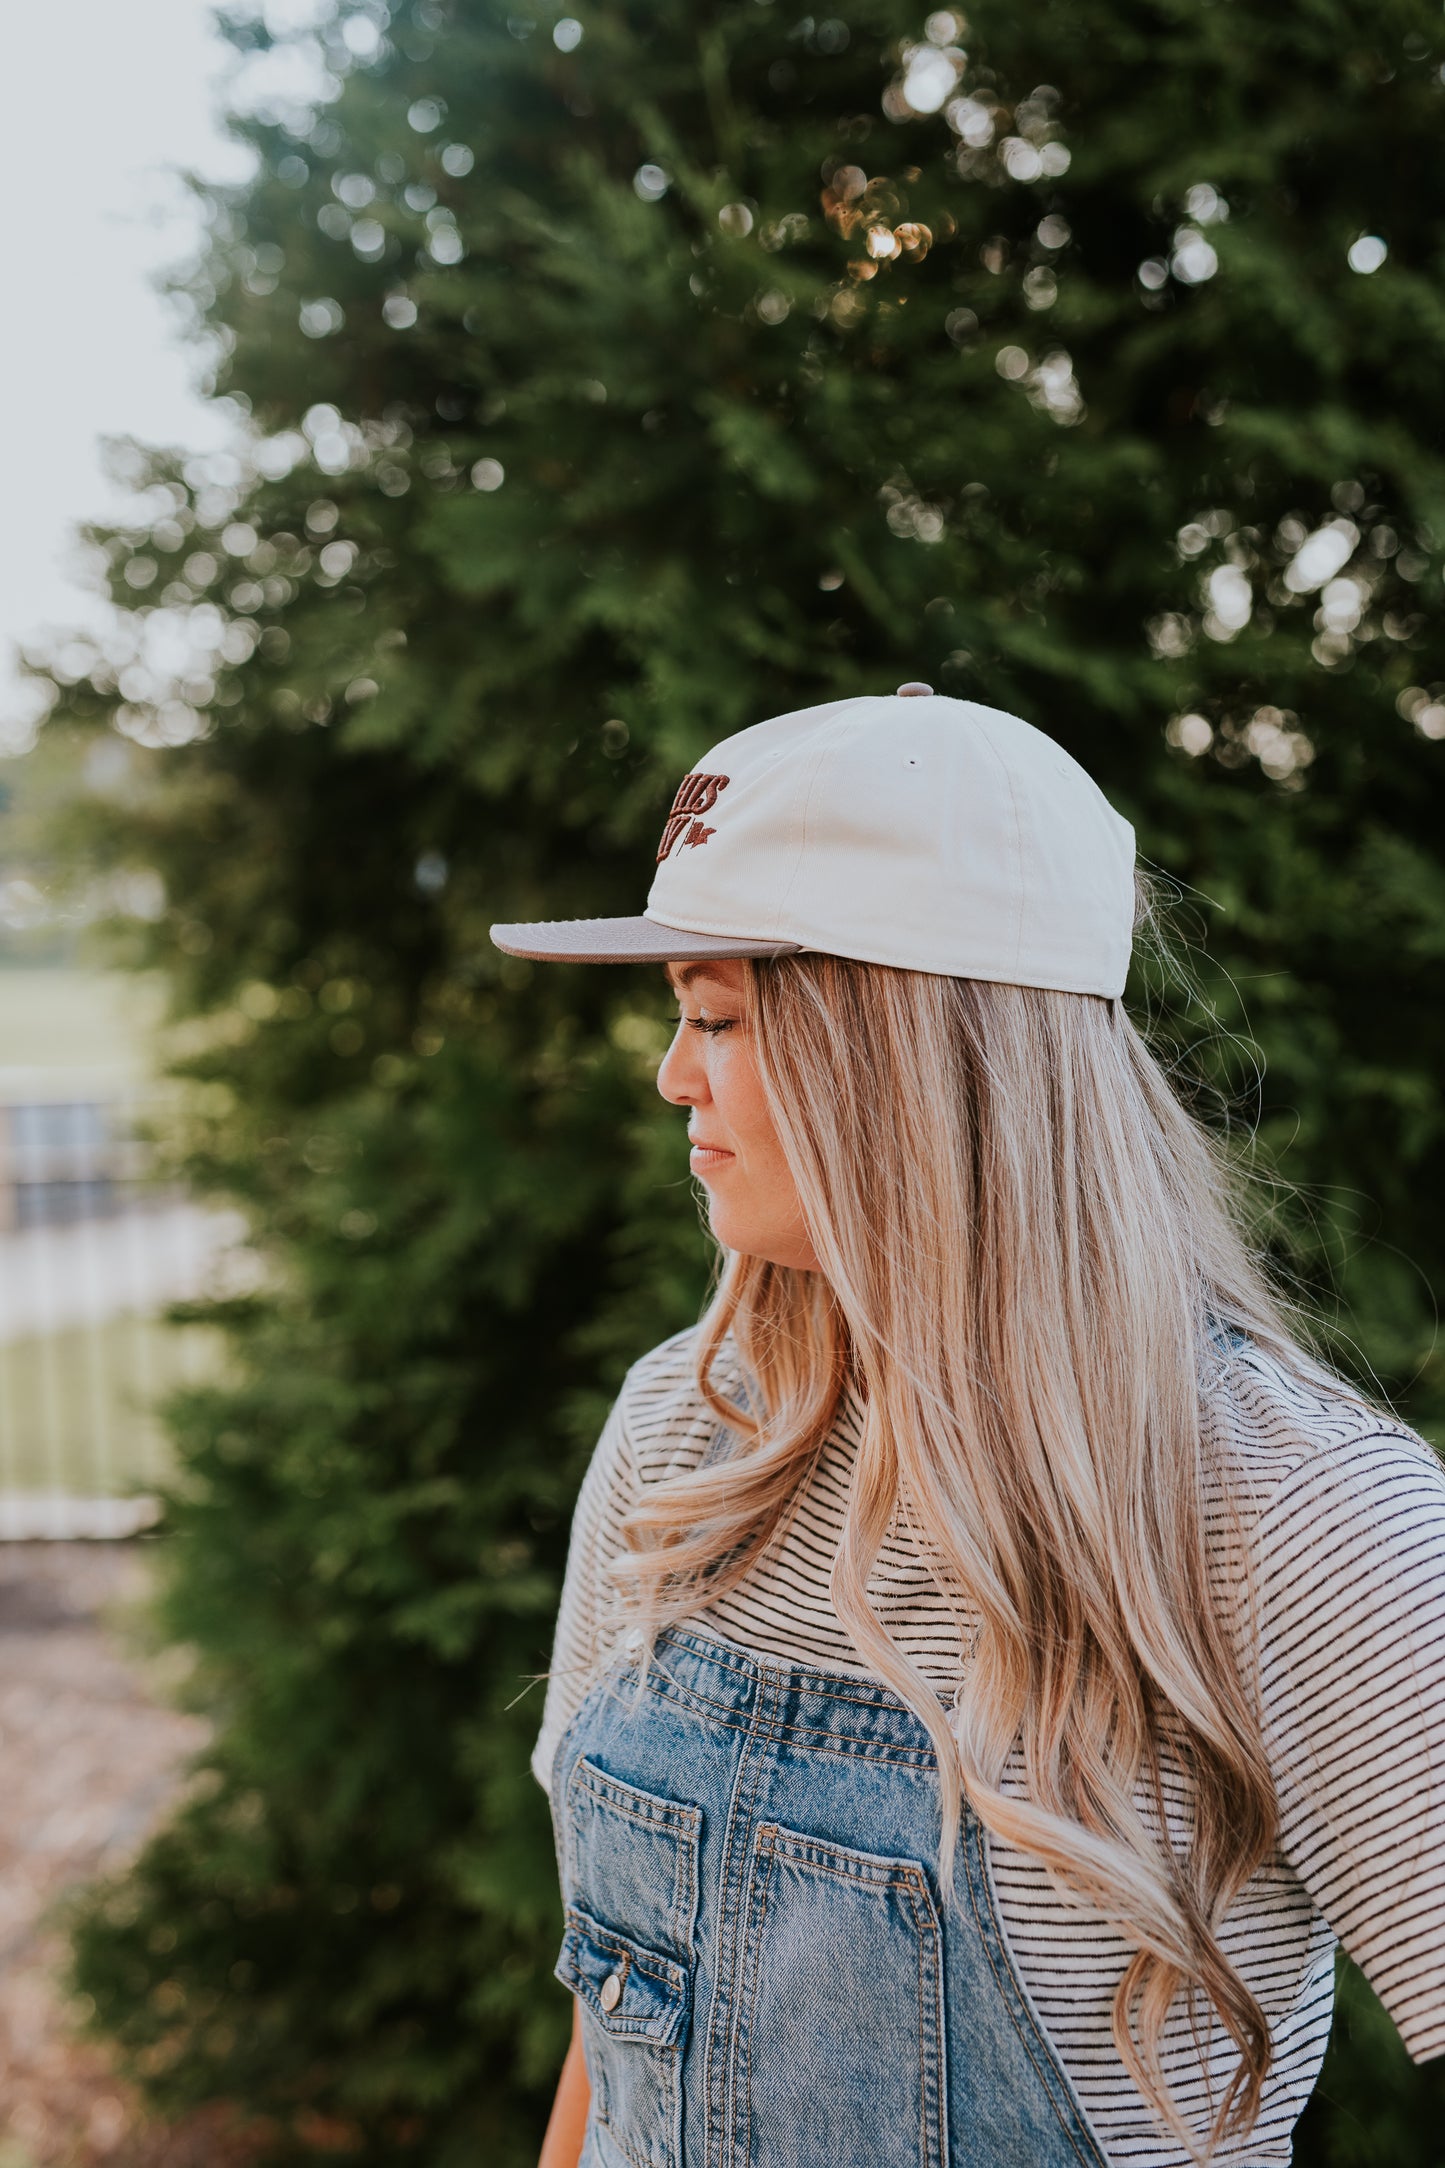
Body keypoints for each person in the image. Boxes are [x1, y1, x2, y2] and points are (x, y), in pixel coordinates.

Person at [490, 687, 1445, 2168]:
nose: (673, 1072)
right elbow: (612, 2036)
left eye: (717, 1016)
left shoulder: (1305, 1520)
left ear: (909, 1052)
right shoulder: (685, 1429)